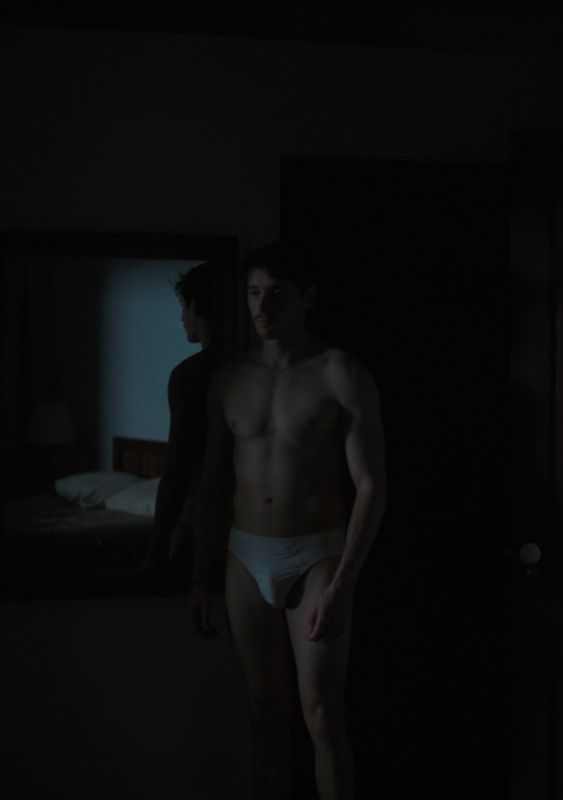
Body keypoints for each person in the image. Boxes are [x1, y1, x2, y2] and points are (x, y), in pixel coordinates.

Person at [191, 241, 387, 800]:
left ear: (308, 299)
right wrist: (200, 577)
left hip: (317, 556)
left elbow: (371, 485)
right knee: (263, 711)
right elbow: (212, 486)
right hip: (244, 555)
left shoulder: (339, 373)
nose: (263, 306)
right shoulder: (228, 379)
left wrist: (345, 583)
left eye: (277, 293)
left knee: (322, 714)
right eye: (254, 293)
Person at [140, 261, 225, 575]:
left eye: (182, 306)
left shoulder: (191, 375)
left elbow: (177, 468)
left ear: (195, 305)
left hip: (202, 510)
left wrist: (157, 546)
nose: (181, 317)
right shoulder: (245, 364)